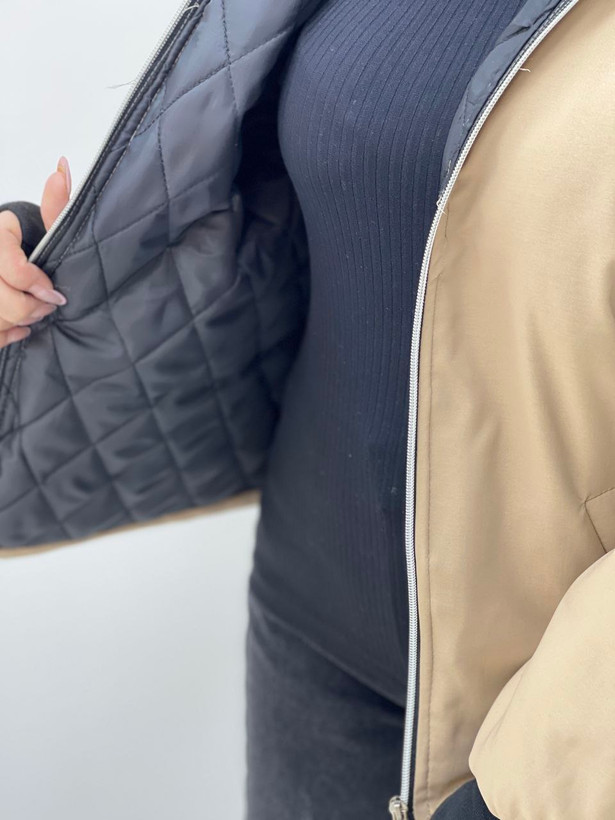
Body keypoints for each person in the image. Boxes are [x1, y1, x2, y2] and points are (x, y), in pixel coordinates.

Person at [1, 0, 615, 818]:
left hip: (545, 716)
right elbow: (280, 197)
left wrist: (533, 791)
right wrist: (54, 265)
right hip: (308, 633)